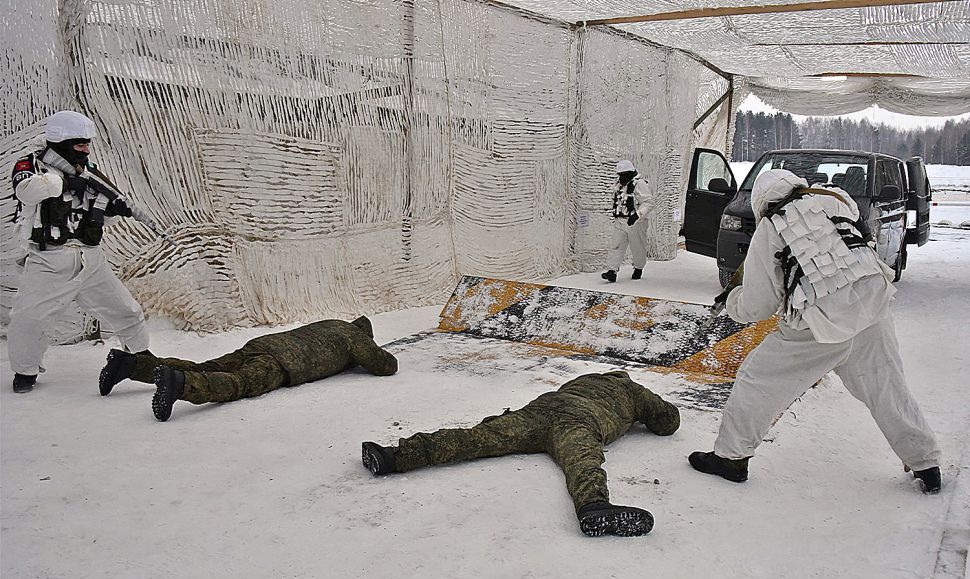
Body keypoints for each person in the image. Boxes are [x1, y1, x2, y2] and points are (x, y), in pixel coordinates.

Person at [688, 169, 942, 493]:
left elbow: (758, 305)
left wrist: (733, 300)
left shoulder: (771, 226)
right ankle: (925, 463)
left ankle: (730, 457)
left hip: (819, 321)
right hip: (872, 306)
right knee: (888, 390)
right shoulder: (835, 199)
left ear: (762, 201)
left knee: (757, 381)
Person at [361, 371, 680, 537]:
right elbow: (668, 421)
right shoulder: (632, 389)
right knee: (582, 460)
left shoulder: (582, 379)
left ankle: (394, 457)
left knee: (477, 438)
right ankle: (594, 506)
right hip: (579, 419)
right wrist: (638, 411)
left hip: (539, 410)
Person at [8, 110, 155, 393]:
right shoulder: (34, 165)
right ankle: (25, 372)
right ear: (62, 142)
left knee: (126, 310)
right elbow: (26, 191)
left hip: (90, 258)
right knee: (29, 319)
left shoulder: (89, 172)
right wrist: (61, 183)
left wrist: (114, 208)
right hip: (50, 260)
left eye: (87, 145)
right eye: (80, 145)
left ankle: (140, 356)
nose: (86, 150)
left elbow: (98, 214)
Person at [99, 316, 397, 421]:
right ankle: (181, 385)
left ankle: (131, 365)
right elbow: (386, 365)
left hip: (261, 345)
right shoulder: (354, 336)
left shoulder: (334, 323)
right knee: (238, 383)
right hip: (282, 363)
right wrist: (360, 353)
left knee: (207, 366)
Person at [601, 159, 655, 283]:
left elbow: (649, 202)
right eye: (620, 174)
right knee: (616, 245)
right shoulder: (619, 184)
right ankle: (612, 271)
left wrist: (638, 215)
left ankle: (638, 268)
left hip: (636, 222)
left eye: (624, 174)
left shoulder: (639, 184)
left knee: (637, 247)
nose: (622, 177)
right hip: (620, 220)